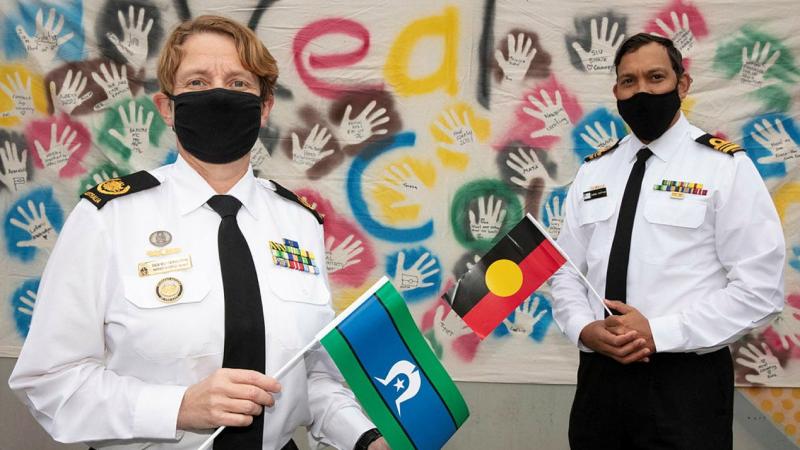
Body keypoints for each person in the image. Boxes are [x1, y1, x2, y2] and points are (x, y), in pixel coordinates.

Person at [9, 15, 387, 450]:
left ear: (264, 108)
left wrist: (364, 438)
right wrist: (177, 407)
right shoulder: (107, 218)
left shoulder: (300, 223)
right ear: (166, 108)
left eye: (239, 83)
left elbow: (312, 376)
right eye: (196, 82)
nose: (219, 94)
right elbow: (50, 380)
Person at [550, 33, 785, 449]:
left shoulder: (724, 167)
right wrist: (583, 329)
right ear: (616, 91)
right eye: (629, 81)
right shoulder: (593, 171)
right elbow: (565, 271)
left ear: (683, 84)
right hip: (599, 382)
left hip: (685, 383)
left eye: (655, 77)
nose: (641, 91)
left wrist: (659, 332)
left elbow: (760, 290)